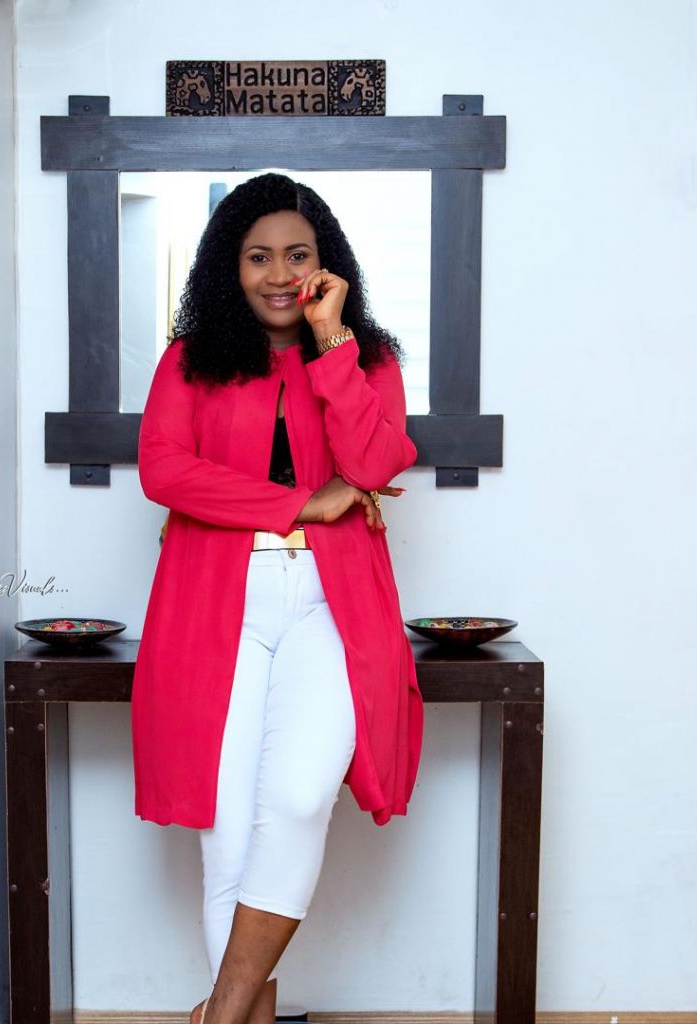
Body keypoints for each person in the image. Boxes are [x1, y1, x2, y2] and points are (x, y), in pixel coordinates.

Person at [131, 172, 424, 1024]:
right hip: (214, 601)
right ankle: (245, 1018)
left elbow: (373, 464)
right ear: (229, 266)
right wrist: (299, 502)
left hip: (333, 601)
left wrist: (331, 342)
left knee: (297, 798)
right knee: (227, 829)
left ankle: (217, 1016)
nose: (279, 274)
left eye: (298, 255)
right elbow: (163, 470)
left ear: (326, 266)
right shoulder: (189, 361)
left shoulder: (369, 361)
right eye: (257, 256)